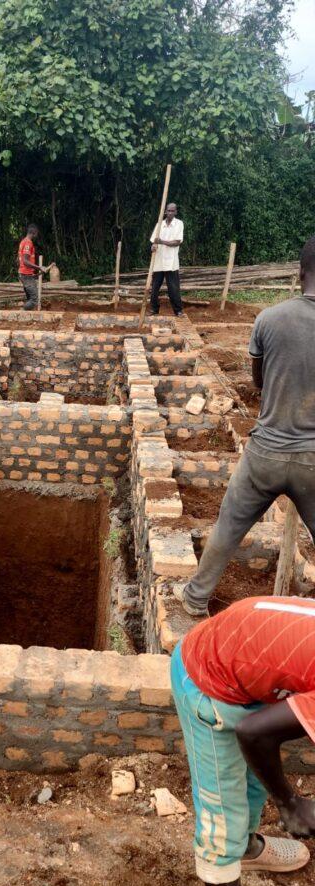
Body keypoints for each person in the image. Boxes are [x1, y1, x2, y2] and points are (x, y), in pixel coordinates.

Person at [171, 594, 314, 886]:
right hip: (208, 684)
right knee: (221, 823)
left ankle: (248, 848)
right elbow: (253, 733)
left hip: (244, 666)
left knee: (253, 783)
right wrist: (290, 803)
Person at [175, 235, 315, 617]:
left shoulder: (270, 318)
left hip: (266, 452)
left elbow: (257, 381)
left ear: (299, 272)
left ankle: (195, 598)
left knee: (229, 526)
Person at [149, 202, 184, 317]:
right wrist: (154, 246)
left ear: (176, 212)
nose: (170, 213)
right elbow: (154, 241)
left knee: (173, 289)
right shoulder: (160, 224)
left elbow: (176, 242)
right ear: (165, 212)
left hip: (171, 262)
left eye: (172, 211)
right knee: (154, 288)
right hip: (158, 261)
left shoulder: (179, 224)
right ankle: (154, 309)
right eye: (168, 211)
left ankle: (178, 311)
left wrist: (161, 241)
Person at [17, 224, 47, 310]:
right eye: (37, 234)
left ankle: (27, 316)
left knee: (30, 298)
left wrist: (32, 271)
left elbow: (18, 259)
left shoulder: (23, 241)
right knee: (34, 300)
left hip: (24, 274)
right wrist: (40, 268)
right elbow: (25, 261)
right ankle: (21, 312)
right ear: (34, 233)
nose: (37, 236)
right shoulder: (28, 243)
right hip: (26, 275)